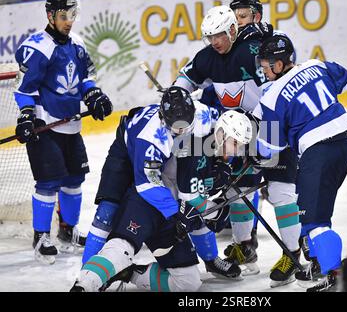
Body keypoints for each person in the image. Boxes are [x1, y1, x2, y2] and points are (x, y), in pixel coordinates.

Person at [71, 89, 251, 292]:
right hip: (128, 154)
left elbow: (227, 134)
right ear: (163, 118)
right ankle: (87, 279)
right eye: (177, 129)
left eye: (186, 127)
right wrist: (177, 214)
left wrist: (222, 162)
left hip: (170, 181)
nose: (182, 132)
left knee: (188, 278)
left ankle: (208, 259)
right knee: (108, 212)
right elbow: (148, 185)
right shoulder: (151, 139)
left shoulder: (203, 115)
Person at [174, 5, 301, 287]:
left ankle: (292, 254)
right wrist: (177, 93)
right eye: (210, 36)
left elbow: (286, 62)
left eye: (219, 34)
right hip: (234, 133)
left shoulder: (255, 50)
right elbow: (186, 78)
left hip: (271, 128)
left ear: (233, 29)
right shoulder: (207, 57)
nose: (215, 41)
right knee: (238, 188)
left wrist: (271, 32)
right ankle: (245, 247)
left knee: (281, 191)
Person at [13, 0, 112, 264]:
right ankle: (41, 236)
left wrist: (93, 95)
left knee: (74, 181)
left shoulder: (77, 44)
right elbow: (24, 90)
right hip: (45, 127)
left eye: (72, 16)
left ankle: (68, 232)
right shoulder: (38, 47)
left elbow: (85, 78)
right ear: (50, 16)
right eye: (63, 16)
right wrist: (26, 116)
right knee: (48, 183)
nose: (69, 22)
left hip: (71, 126)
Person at [255, 35, 347, 292]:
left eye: (266, 66)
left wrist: (249, 149)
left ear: (279, 65)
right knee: (315, 211)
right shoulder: (316, 65)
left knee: (313, 221)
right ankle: (323, 261)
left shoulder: (272, 97)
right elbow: (345, 78)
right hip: (344, 145)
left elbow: (269, 149)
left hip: (318, 153)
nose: (263, 71)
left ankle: (335, 272)